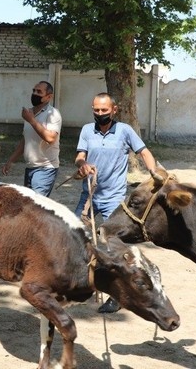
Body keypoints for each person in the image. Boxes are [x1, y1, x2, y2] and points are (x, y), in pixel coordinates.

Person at [74, 92, 157, 314]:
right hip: (89, 197)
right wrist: (82, 165)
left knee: (116, 249)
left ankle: (118, 296)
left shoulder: (124, 131)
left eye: (104, 110)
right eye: (96, 110)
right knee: (75, 239)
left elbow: (144, 152)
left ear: (114, 110)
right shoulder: (86, 130)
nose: (100, 114)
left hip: (114, 199)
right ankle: (82, 286)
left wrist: (156, 173)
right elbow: (79, 156)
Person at [2, 81, 62, 197]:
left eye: (39, 92)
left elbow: (50, 138)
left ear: (49, 97)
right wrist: (11, 160)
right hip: (30, 167)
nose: (35, 94)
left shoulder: (53, 114)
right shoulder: (29, 113)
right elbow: (26, 140)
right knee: (30, 206)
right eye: (34, 90)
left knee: (35, 206)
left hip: (46, 168)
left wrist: (32, 120)